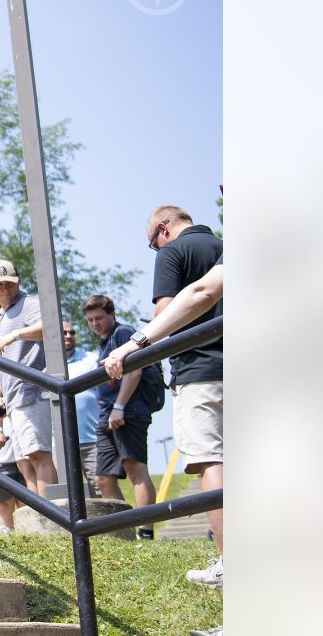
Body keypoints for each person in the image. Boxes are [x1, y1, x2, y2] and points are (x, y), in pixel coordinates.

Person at [140, 206, 224, 590]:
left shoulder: (173, 253)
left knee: (211, 462)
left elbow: (166, 312)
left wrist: (139, 342)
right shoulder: (224, 247)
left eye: (151, 243)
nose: (155, 250)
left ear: (163, 228)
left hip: (199, 372)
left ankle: (230, 562)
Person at [81, 295, 157, 539]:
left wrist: (120, 406)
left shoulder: (123, 333)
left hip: (128, 411)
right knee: (102, 478)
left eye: (99, 318)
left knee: (135, 469)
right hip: (106, 415)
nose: (95, 323)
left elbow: (134, 371)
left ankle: (146, 533)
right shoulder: (103, 343)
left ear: (112, 315)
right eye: (90, 319)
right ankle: (125, 532)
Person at [0, 260, 58, 494]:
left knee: (39, 455)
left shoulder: (29, 303)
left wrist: (15, 335)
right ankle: (40, 517)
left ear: (20, 281)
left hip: (32, 392)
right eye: (0, 284)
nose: (5, 288)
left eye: (10, 283)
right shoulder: (1, 318)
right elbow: (8, 362)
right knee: (24, 463)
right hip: (13, 397)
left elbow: (49, 326)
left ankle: (54, 518)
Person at [64, 319, 102, 497]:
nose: (69, 336)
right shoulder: (45, 366)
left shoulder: (92, 359)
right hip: (61, 444)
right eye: (64, 333)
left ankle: (111, 525)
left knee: (101, 488)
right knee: (67, 494)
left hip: (92, 439)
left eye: (72, 332)